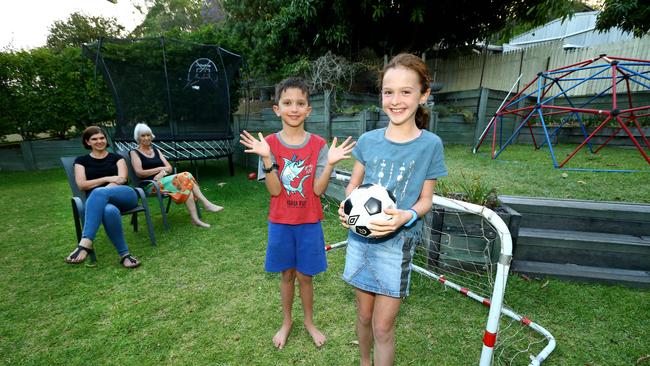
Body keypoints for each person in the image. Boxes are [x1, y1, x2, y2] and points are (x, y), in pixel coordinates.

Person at [338, 53, 448, 366]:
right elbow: (353, 187)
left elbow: (426, 200)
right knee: (363, 315)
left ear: (423, 95)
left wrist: (406, 216)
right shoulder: (368, 140)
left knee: (382, 326)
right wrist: (347, 208)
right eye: (389, 92)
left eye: (406, 91)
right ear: (381, 95)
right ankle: (364, 362)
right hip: (360, 242)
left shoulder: (431, 145)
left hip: (396, 246)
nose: (395, 100)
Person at [239, 77, 355, 349]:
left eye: (300, 103)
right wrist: (267, 159)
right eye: (287, 103)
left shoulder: (318, 145)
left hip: (309, 223)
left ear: (308, 109)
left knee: (306, 276)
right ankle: (287, 321)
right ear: (277, 108)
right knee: (287, 275)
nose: (294, 108)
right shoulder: (267, 144)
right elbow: (276, 191)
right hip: (280, 223)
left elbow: (317, 190)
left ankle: (309, 322)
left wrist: (330, 164)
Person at [65, 126, 141, 268]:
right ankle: (125, 255)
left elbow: (122, 179)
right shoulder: (81, 161)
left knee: (98, 192)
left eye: (102, 138)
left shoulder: (117, 158)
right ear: (88, 142)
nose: (99, 141)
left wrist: (101, 190)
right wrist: (108, 178)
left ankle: (86, 242)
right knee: (108, 211)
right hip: (101, 204)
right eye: (94, 139)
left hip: (124, 196)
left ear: (106, 140)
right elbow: (81, 185)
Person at [129, 123, 224, 228]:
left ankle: (196, 219)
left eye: (148, 135)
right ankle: (206, 205)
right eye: (143, 135)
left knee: (187, 183)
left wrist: (162, 173)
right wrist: (160, 169)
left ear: (151, 136)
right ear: (138, 137)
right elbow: (139, 172)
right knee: (186, 176)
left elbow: (169, 168)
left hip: (163, 182)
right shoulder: (134, 153)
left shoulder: (156, 150)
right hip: (149, 185)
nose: (146, 138)